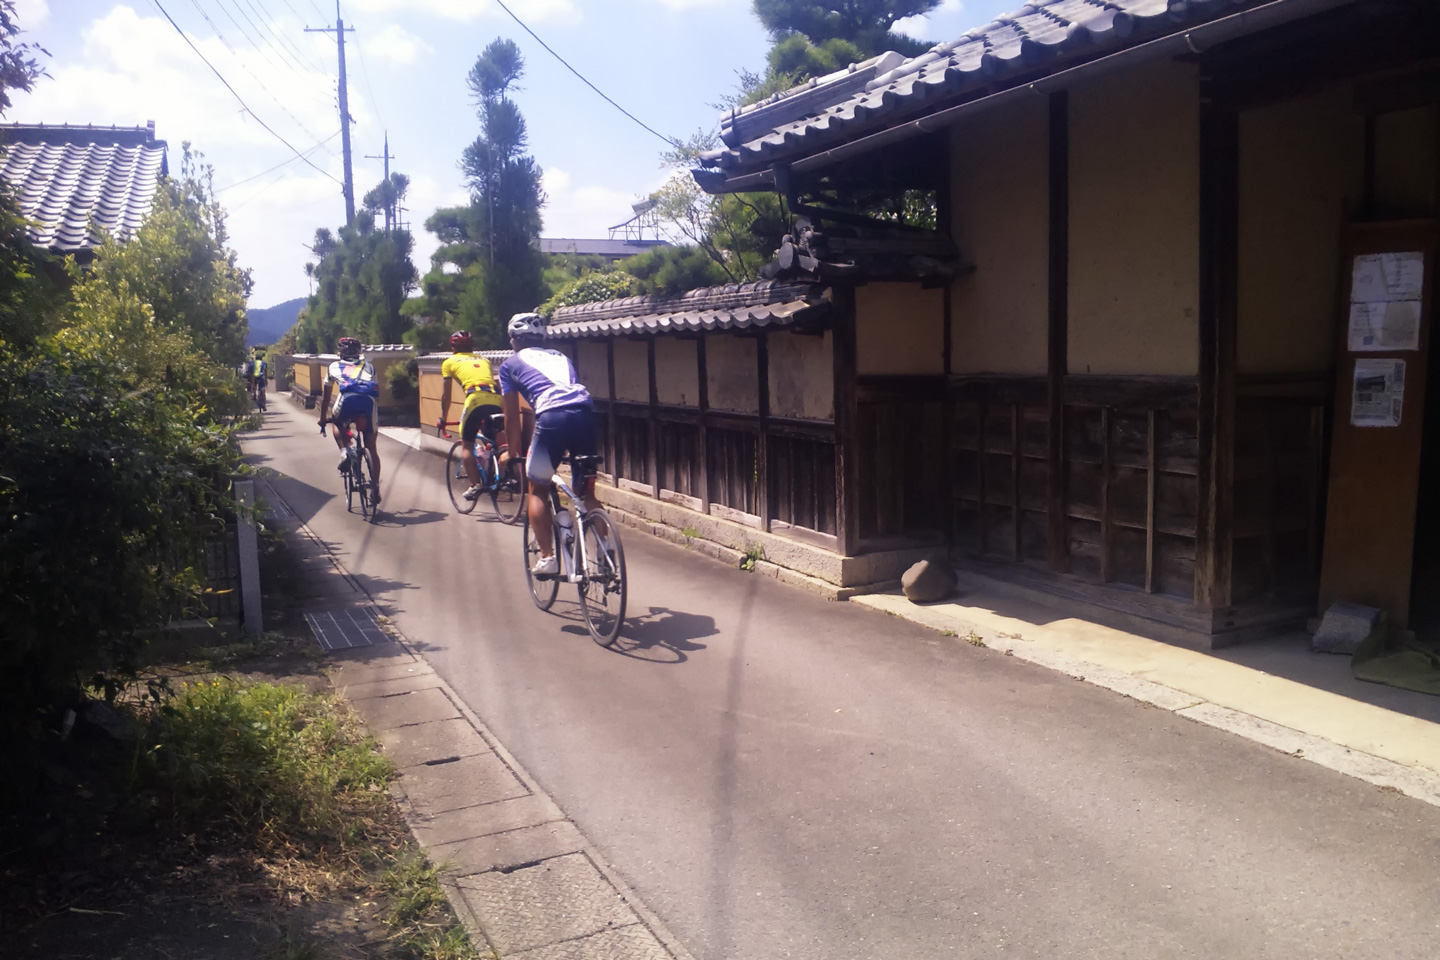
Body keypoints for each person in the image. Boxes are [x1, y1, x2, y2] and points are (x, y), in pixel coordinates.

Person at [498, 312, 602, 576]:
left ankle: (548, 558)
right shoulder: (562, 357)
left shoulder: (509, 365)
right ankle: (605, 552)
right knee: (587, 493)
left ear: (514, 340)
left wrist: (512, 452)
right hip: (585, 416)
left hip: (552, 418)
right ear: (541, 338)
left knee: (538, 489)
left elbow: (511, 416)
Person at [439, 330, 503, 501]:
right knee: (497, 440)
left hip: (474, 399)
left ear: (452, 347)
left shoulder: (449, 362)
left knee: (467, 444)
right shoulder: (484, 360)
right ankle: (504, 473)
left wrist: (443, 418)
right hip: (496, 398)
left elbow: (447, 396)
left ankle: (474, 485)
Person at [318, 337, 383, 504]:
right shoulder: (369, 366)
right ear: (359, 352)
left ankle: (345, 451)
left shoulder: (333, 366)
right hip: (368, 403)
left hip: (346, 401)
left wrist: (322, 418)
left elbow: (326, 396)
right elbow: (377, 393)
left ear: (340, 352)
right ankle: (375, 487)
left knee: (337, 422)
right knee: (372, 447)